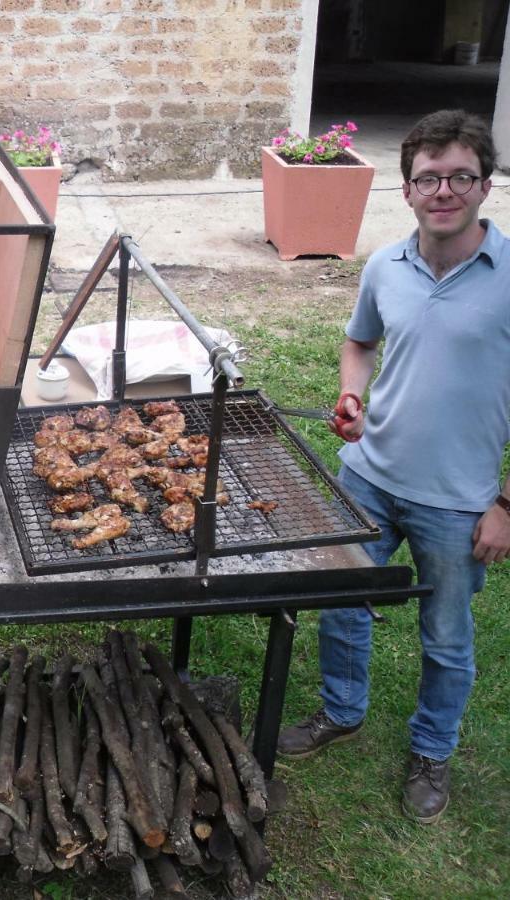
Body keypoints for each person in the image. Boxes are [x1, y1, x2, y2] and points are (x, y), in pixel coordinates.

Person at [276, 109, 510, 825]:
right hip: (369, 474)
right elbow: (359, 342)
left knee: (445, 635)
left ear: (486, 185)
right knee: (342, 606)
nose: (444, 191)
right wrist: (352, 393)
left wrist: (505, 504)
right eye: (428, 178)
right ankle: (342, 711)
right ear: (406, 189)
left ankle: (431, 750)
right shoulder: (385, 265)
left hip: (457, 499)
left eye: (460, 177)